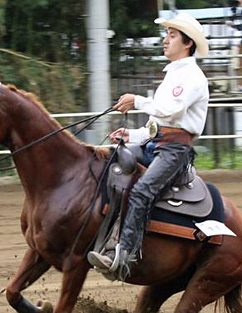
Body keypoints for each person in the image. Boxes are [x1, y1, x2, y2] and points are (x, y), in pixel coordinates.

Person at [87, 13, 210, 278]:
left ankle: (123, 256)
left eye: (172, 36)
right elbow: (156, 125)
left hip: (175, 152)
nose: (165, 40)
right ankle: (100, 234)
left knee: (142, 191)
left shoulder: (193, 76)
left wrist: (137, 101)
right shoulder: (174, 74)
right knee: (109, 163)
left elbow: (172, 111)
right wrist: (131, 135)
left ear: (188, 43)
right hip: (157, 145)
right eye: (166, 35)